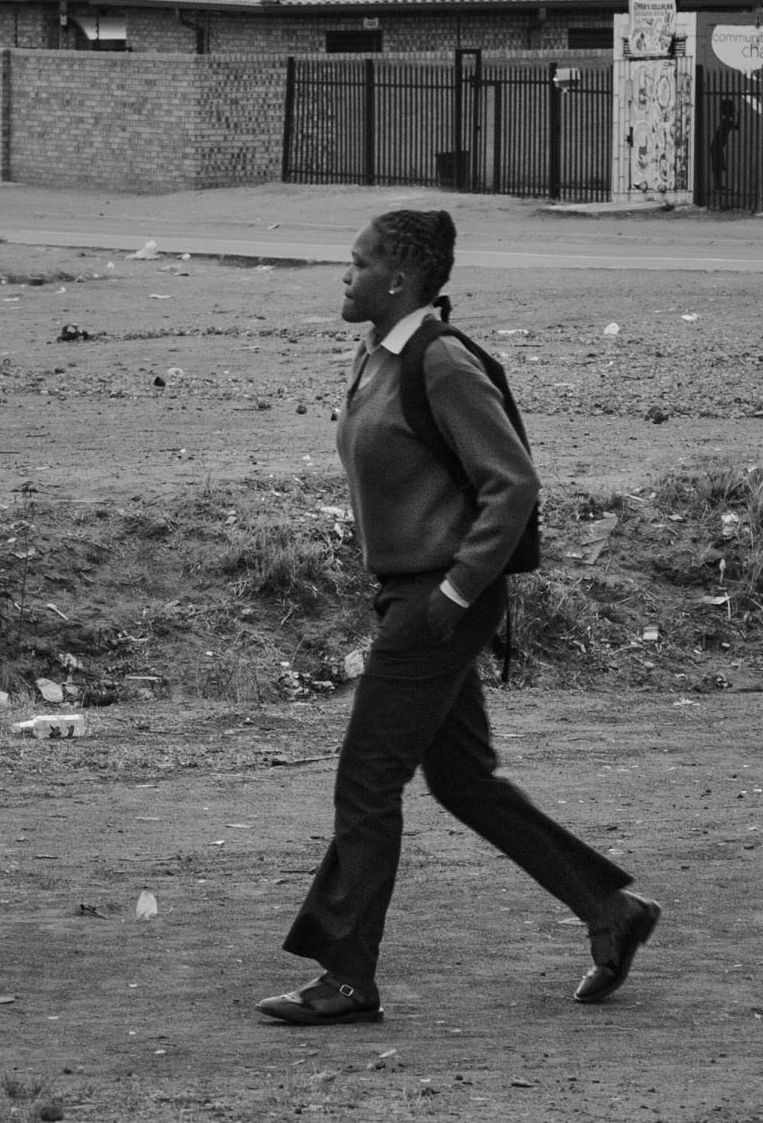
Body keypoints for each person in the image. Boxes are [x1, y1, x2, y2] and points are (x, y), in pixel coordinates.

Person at [261, 208, 659, 1026]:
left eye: (359, 261)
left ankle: (347, 974)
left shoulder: (440, 362)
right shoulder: (378, 355)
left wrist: (453, 593)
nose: (346, 273)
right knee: (464, 780)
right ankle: (611, 909)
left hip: (437, 602)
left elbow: (511, 483)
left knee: (368, 781)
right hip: (414, 593)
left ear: (400, 280)